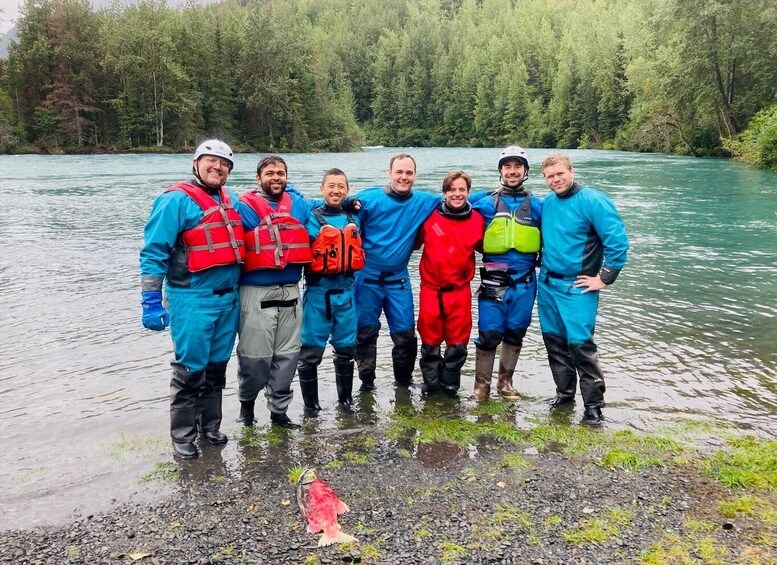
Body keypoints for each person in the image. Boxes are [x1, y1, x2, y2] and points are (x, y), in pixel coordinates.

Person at [139, 139, 244, 460]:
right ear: (195, 163)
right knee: (189, 369)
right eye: (210, 161)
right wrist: (150, 299)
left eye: (224, 163)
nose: (217, 167)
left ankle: (209, 426)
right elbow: (154, 252)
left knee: (216, 367)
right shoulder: (174, 201)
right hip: (192, 298)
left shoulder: (232, 200)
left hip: (229, 298)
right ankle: (182, 435)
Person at [538, 154, 628, 425]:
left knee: (580, 346)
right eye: (550, 176)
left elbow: (617, 241)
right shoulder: (549, 203)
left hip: (577, 286)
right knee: (554, 343)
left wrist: (604, 278)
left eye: (560, 174)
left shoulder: (593, 200)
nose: (556, 180)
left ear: (571, 171)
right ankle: (564, 395)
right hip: (547, 284)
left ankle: (593, 408)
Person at [235, 156, 312, 429]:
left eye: (281, 173)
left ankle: (279, 413)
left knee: (288, 356)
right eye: (270, 173)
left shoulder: (298, 205)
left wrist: (350, 205)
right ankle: (246, 406)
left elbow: (324, 207)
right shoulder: (243, 207)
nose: (276, 177)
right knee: (255, 357)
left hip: (290, 289)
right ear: (258, 178)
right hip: (255, 291)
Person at [352, 154, 440, 390]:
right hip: (366, 279)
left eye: (409, 173)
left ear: (415, 175)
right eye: (399, 172)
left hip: (398, 280)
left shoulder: (424, 201)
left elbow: (457, 198)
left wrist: (492, 197)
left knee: (405, 335)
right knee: (365, 333)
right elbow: (335, 206)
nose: (404, 177)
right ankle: (367, 383)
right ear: (389, 173)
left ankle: (403, 383)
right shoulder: (368, 199)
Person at [469, 146, 543, 401]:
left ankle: (505, 383)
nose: (512, 171)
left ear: (525, 171)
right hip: (494, 276)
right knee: (489, 332)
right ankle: (481, 387)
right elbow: (454, 203)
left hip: (525, 280)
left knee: (515, 331)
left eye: (517, 167)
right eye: (507, 167)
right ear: (500, 171)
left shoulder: (538, 205)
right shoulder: (484, 203)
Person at [297, 169, 364, 415]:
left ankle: (345, 401)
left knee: (346, 349)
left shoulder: (354, 217)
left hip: (346, 293)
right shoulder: (310, 216)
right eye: (331, 186)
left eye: (341, 187)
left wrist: (351, 204)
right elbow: (291, 193)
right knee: (310, 352)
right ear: (322, 188)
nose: (336, 191)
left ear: (347, 190)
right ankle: (311, 406)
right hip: (318, 294)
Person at [415, 170, 485, 396]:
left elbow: (490, 251)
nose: (457, 194)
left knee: (458, 340)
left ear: (468, 192)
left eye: (462, 190)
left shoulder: (477, 220)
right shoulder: (428, 217)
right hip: (431, 289)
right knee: (429, 338)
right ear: (444, 192)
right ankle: (431, 383)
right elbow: (410, 243)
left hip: (460, 290)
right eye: (452, 189)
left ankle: (450, 383)